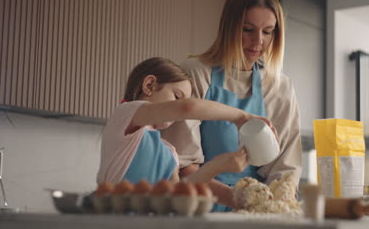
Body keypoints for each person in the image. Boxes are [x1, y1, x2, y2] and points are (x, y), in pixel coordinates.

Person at [161, 0, 302, 212]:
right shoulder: (196, 72)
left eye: (267, 32)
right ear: (230, 27)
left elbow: (285, 169)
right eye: (248, 29)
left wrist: (272, 205)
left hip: (255, 211)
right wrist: (240, 200)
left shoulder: (280, 86)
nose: (258, 41)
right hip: (201, 206)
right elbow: (184, 167)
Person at [96, 57, 274, 188]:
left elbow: (179, 193)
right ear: (149, 85)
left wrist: (216, 167)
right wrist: (241, 117)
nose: (179, 109)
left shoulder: (169, 152)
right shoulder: (126, 114)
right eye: (177, 96)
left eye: (181, 100)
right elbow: (187, 108)